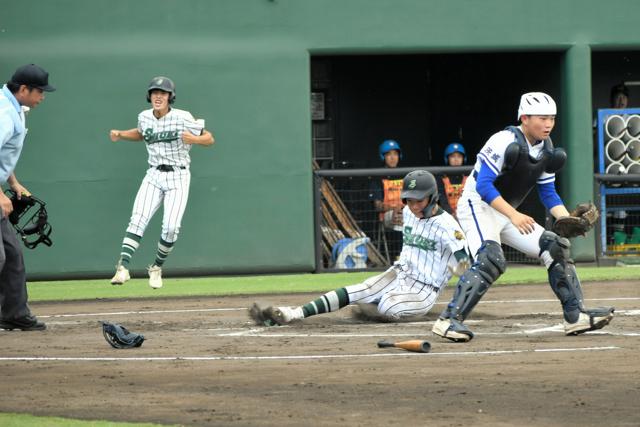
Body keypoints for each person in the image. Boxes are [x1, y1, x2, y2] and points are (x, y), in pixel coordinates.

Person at [432, 92, 614, 343]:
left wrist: (566, 218)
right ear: (525, 118)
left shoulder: (546, 148)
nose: (548, 123)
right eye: (542, 118)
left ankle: (575, 316)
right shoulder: (503, 140)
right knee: (490, 260)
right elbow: (484, 187)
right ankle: (448, 321)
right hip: (478, 206)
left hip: (507, 211)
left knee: (556, 245)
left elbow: (548, 192)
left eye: (552, 118)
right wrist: (515, 215)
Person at [250, 170, 470, 325]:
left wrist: (459, 267)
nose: (413, 205)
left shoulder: (448, 225)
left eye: (418, 200)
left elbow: (464, 262)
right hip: (398, 274)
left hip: (424, 288)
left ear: (432, 197)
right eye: (409, 200)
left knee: (388, 306)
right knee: (357, 290)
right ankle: (293, 313)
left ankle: (380, 305)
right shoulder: (407, 215)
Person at [109, 76, 214, 289]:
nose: (158, 96)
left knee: (171, 227)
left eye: (163, 93)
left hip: (178, 176)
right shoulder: (144, 117)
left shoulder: (183, 117)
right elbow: (141, 134)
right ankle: (123, 267)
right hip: (154, 174)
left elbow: (209, 138)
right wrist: (121, 134)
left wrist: (194, 139)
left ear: (170, 97)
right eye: (155, 92)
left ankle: (156, 267)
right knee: (138, 219)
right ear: (150, 96)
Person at [0, 64, 56, 331]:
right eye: (39, 91)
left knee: (11, 256)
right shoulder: (4, 113)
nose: (43, 96)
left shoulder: (16, 109)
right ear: (23, 89)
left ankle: (14, 313)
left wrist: (13, 181)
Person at [368, 139, 404, 260]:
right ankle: (400, 255)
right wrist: (394, 208)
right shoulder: (378, 177)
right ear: (383, 157)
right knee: (400, 217)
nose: (393, 158)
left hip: (406, 212)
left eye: (395, 154)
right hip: (387, 215)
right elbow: (377, 205)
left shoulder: (405, 175)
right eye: (389, 154)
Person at [438, 142, 468, 217]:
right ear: (447, 158)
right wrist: (451, 214)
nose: (456, 159)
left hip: (467, 215)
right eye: (452, 156)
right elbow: (442, 199)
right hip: (448, 216)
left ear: (463, 158)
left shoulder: (468, 177)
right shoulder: (442, 178)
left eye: (459, 156)